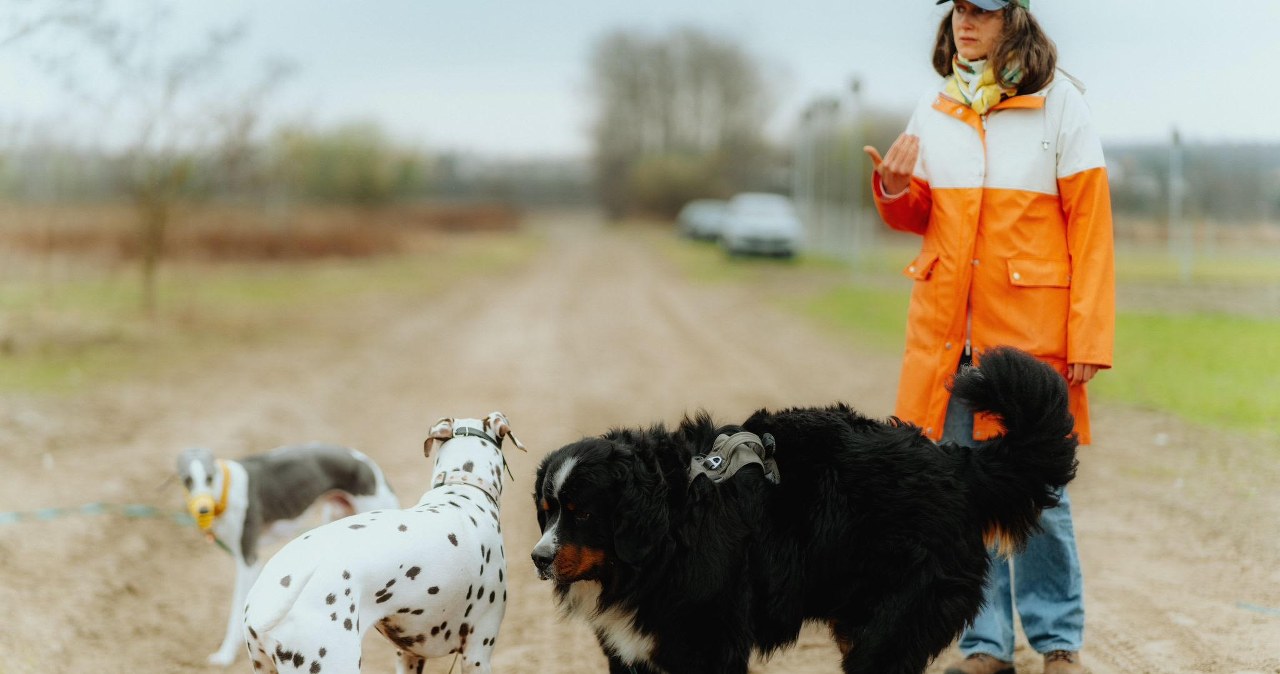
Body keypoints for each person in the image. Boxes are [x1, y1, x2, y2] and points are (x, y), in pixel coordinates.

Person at [862, 1, 1114, 673]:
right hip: (949, 340)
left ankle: (1058, 642)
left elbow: (1091, 232)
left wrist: (1088, 336)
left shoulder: (1061, 105)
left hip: (1029, 345)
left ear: (1017, 21)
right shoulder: (936, 105)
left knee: (1042, 500)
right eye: (958, 11)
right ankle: (984, 645)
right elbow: (922, 215)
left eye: (983, 12)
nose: (964, 24)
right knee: (953, 497)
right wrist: (892, 189)